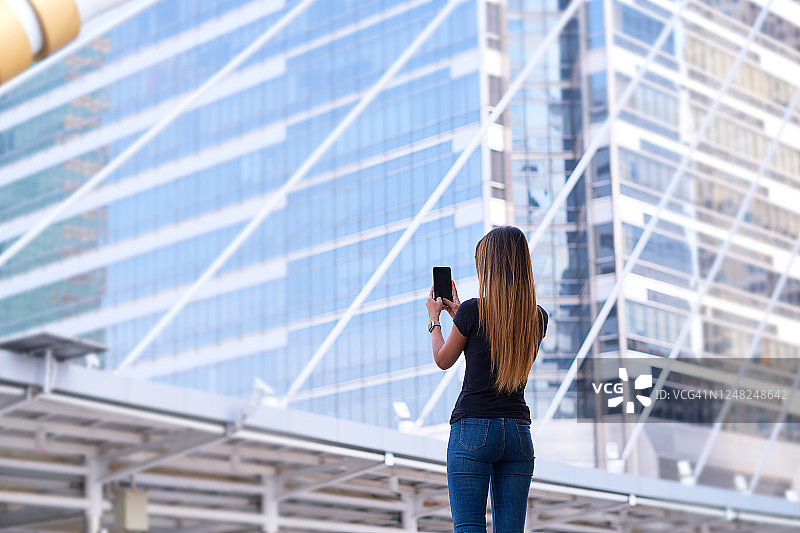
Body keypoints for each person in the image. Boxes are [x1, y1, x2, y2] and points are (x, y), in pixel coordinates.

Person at [425, 225, 548, 533]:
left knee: (469, 528)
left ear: (489, 267)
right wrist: (460, 317)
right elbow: (497, 337)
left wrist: (435, 320)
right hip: (518, 434)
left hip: (472, 430)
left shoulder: (472, 311)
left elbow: (443, 359)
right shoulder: (537, 318)